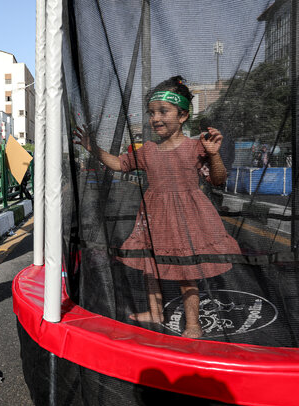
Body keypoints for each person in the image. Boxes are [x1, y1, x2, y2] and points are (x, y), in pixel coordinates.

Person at [74, 76, 241, 338]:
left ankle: (193, 324)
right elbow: (119, 164)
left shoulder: (196, 147)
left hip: (187, 217)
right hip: (153, 216)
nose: (156, 118)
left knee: (187, 269)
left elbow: (218, 179)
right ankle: (155, 311)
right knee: (149, 264)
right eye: (152, 113)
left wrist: (215, 154)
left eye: (164, 111)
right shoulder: (149, 150)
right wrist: (93, 148)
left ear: (183, 116)